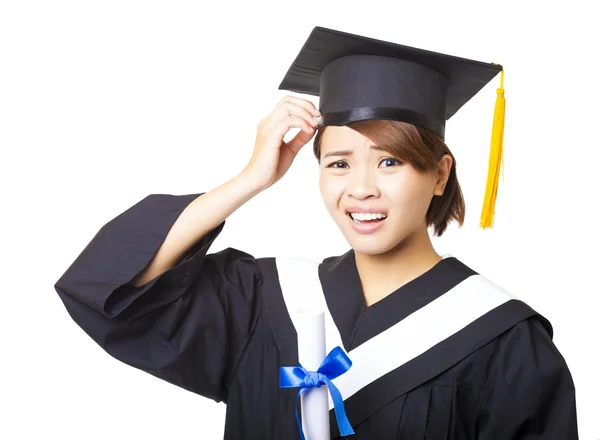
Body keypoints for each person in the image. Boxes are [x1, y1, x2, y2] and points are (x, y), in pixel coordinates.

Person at [54, 26, 578, 439]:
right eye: (339, 164)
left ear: (439, 174)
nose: (362, 188)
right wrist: (250, 179)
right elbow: (105, 289)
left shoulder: (503, 339)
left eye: (390, 161)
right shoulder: (260, 300)